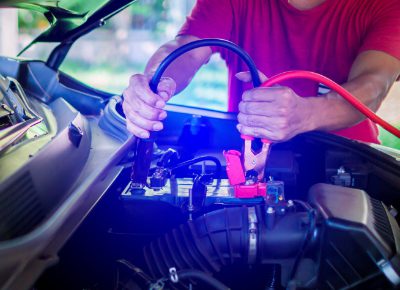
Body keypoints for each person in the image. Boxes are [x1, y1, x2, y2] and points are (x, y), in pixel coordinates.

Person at [122, 0, 400, 144]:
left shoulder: (387, 5)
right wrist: (156, 83)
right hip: (250, 158)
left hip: (350, 165)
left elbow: (373, 84)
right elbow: (187, 48)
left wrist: (305, 114)